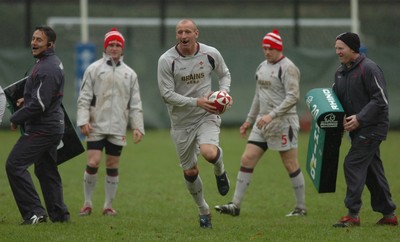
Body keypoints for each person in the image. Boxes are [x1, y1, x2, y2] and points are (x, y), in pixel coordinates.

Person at [215, 29, 307, 217]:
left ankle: (301, 207)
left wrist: (271, 115)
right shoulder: (261, 67)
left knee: (290, 164)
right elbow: (258, 96)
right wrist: (248, 121)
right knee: (247, 159)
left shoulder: (288, 68)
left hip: (283, 123)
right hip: (262, 123)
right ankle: (235, 205)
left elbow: (293, 97)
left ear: (278, 48)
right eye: (264, 48)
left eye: (270, 48)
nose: (267, 52)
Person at [157, 19, 231, 228]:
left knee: (209, 153)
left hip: (206, 115)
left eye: (187, 31)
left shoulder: (210, 53)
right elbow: (166, 95)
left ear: (196, 33)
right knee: (190, 172)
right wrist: (195, 101)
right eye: (179, 32)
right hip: (181, 123)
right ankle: (203, 209)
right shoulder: (167, 60)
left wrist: (223, 93)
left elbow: (224, 74)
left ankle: (220, 170)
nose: (183, 36)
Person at [5, 26, 70, 225]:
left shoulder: (47, 67)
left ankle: (35, 213)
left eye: (39, 40)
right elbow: (43, 97)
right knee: (46, 171)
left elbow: (40, 104)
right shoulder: (45, 63)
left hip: (43, 128)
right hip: (50, 125)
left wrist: (17, 118)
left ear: (50, 44)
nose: (33, 42)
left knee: (14, 165)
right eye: (33, 38)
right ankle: (59, 216)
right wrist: (27, 99)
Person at [332, 32, 397, 227]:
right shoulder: (340, 72)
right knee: (371, 170)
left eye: (340, 48)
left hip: (372, 127)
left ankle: (353, 214)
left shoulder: (369, 69)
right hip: (357, 130)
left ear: (353, 48)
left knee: (352, 164)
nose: (337, 52)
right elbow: (336, 99)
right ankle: (389, 214)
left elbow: (381, 100)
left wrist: (360, 118)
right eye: (336, 48)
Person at [77, 28, 145, 216]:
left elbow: (135, 102)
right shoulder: (93, 69)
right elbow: (84, 98)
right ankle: (87, 203)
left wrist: (138, 126)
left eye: (117, 45)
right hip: (95, 125)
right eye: (111, 45)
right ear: (105, 47)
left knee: (112, 164)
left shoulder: (130, 74)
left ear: (122, 49)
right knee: (93, 160)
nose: (114, 48)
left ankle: (108, 206)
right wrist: (83, 120)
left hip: (118, 126)